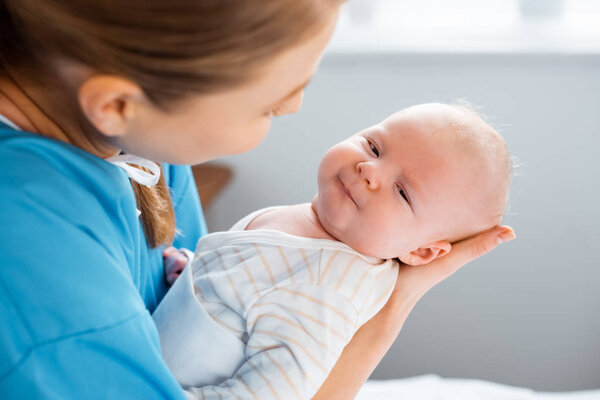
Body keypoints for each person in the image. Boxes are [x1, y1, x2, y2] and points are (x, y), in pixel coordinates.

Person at [0, 1, 515, 399]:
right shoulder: (36, 251)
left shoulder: (143, 146)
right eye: (266, 105)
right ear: (116, 104)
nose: (292, 107)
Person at [155, 103, 513, 400]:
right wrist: (195, 273)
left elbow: (274, 391)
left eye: (402, 192)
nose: (369, 169)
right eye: (374, 146)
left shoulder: (325, 287)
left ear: (421, 252)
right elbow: (251, 294)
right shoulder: (319, 232)